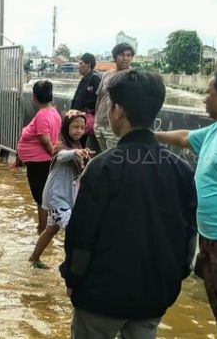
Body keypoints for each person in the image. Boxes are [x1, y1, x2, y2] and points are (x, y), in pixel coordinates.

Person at [61, 69, 197, 339]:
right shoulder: (180, 168)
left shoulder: (103, 166)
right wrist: (175, 275)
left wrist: (73, 278)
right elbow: (189, 233)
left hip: (101, 296)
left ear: (118, 110)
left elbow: (82, 234)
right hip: (155, 295)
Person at [155, 69, 217, 339]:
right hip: (211, 238)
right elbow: (186, 137)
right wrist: (153, 136)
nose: (204, 100)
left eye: (208, 93)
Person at [28, 111, 92, 268]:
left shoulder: (78, 147)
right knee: (74, 231)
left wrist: (85, 156)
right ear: (65, 128)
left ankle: (34, 259)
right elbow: (62, 156)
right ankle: (72, 268)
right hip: (56, 197)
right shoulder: (61, 146)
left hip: (65, 198)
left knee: (50, 230)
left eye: (82, 127)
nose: (79, 130)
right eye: (75, 126)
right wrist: (75, 153)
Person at [16, 80, 62, 235]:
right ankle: (45, 229)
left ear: (34, 97)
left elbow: (46, 141)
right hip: (41, 162)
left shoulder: (43, 115)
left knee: (41, 199)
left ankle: (42, 230)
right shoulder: (53, 111)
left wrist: (55, 157)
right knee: (44, 197)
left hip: (39, 163)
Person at [93, 43, 135, 153]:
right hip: (100, 125)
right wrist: (96, 119)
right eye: (121, 55)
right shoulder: (107, 74)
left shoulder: (133, 76)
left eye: (128, 55)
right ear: (115, 57)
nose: (125, 58)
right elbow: (99, 98)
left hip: (117, 127)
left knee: (115, 158)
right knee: (102, 157)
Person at [70, 53, 101, 148]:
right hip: (78, 116)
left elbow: (99, 100)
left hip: (86, 119)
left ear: (88, 65)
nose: (78, 66)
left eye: (81, 64)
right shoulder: (85, 79)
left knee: (82, 145)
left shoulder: (95, 78)